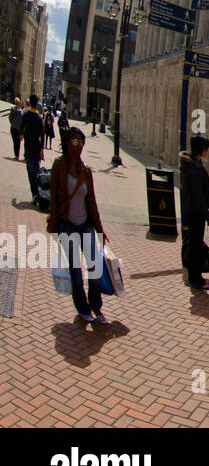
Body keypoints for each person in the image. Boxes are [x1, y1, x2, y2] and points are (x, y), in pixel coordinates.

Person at [46, 127, 109, 323]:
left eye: (82, 142)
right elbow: (54, 199)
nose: (79, 146)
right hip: (67, 225)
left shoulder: (86, 171)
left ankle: (96, 307)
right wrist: (55, 224)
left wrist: (99, 229)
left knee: (95, 268)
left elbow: (92, 202)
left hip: (85, 224)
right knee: (75, 271)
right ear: (67, 143)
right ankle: (83, 309)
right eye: (75, 142)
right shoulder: (59, 166)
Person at [179, 136, 209, 291]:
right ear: (202, 149)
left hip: (192, 210)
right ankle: (196, 278)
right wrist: (208, 216)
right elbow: (198, 196)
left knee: (195, 243)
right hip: (196, 212)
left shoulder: (193, 165)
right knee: (195, 245)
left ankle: (195, 276)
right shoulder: (194, 169)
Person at [21, 94, 44, 204]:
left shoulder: (26, 115)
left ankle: (34, 193)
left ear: (30, 102)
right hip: (37, 147)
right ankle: (39, 193)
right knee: (37, 171)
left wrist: (21, 135)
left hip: (28, 147)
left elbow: (21, 127)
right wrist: (42, 150)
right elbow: (42, 135)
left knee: (30, 172)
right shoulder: (39, 118)